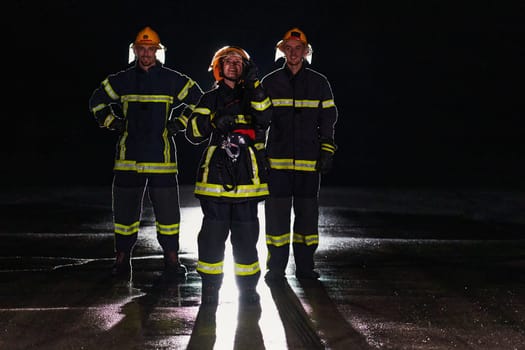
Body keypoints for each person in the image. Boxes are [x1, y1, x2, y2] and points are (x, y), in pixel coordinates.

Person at [88, 26, 204, 279]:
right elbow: (96, 100)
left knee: (169, 216)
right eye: (142, 49)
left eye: (151, 50)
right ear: (135, 51)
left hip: (161, 161)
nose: (146, 54)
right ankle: (121, 261)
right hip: (128, 161)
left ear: (157, 52)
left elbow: (199, 100)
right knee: (124, 215)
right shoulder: (122, 79)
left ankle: (171, 262)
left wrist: (178, 124)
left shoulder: (172, 79)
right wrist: (113, 122)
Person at [185, 46, 272, 304]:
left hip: (248, 177)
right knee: (212, 237)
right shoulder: (209, 99)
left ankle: (248, 291)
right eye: (228, 61)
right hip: (215, 178)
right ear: (219, 68)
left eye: (238, 62)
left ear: (245, 68)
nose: (233, 65)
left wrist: (255, 85)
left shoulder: (254, 95)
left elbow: (265, 117)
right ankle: (210, 290)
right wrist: (213, 121)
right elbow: (193, 133)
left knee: (246, 239)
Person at [261, 27, 338, 282]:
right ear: (282, 51)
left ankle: (305, 268)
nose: (293, 53)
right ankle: (276, 268)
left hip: (309, 163)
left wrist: (327, 149)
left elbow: (328, 119)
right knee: (276, 220)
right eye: (288, 48)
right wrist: (260, 154)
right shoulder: (270, 82)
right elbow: (259, 121)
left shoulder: (319, 83)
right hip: (278, 163)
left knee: (307, 219)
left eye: (298, 48)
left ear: (306, 52)